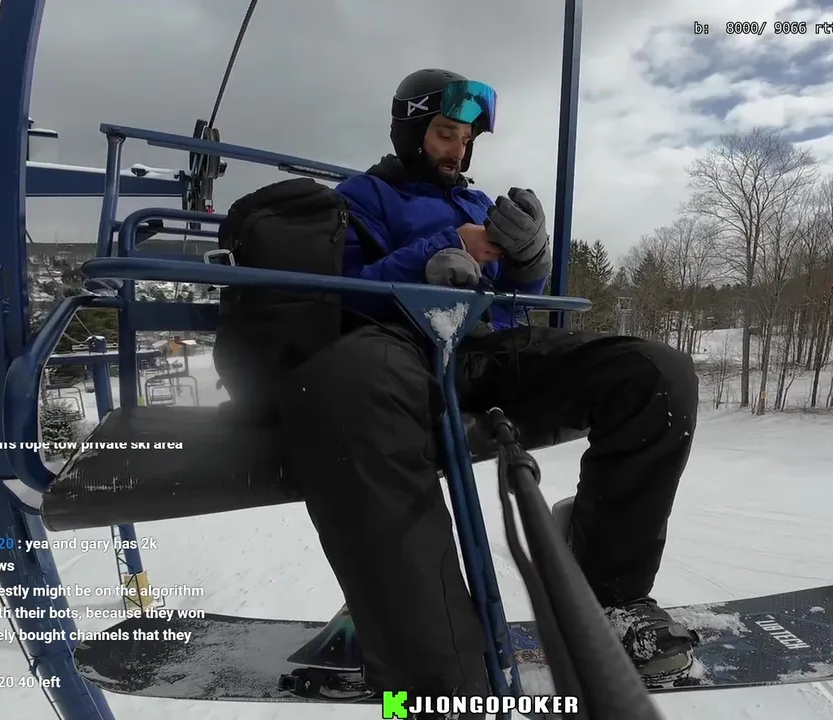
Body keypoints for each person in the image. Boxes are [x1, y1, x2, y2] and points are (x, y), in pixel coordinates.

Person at [278, 68, 698, 715]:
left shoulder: (476, 204)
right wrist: (437, 253)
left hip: (488, 351)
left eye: (468, 140)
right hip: (402, 352)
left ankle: (611, 596)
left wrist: (529, 261)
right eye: (446, 134)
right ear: (411, 132)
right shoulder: (360, 199)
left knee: (655, 375)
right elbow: (341, 295)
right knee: (353, 388)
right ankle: (430, 658)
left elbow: (516, 301)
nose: (459, 150)